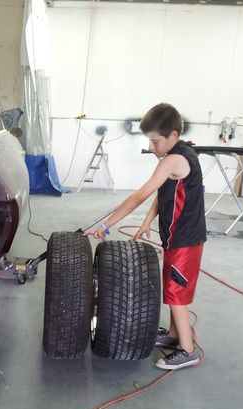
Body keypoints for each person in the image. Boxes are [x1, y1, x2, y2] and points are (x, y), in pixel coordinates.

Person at [86, 103, 206, 370]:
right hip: (178, 239)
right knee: (174, 289)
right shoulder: (178, 154)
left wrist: (106, 226)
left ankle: (188, 350)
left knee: (176, 293)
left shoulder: (174, 160)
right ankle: (175, 336)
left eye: (155, 142)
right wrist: (146, 222)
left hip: (185, 240)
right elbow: (162, 195)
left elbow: (139, 195)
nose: (152, 147)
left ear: (173, 136)